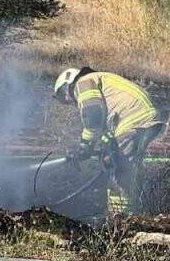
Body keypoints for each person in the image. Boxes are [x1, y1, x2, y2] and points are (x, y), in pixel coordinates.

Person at [52, 67, 163, 214]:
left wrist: (85, 144)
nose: (68, 101)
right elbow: (105, 124)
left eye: (62, 96)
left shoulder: (83, 82)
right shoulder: (100, 79)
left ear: (67, 84)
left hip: (132, 119)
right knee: (127, 168)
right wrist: (104, 148)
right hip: (145, 117)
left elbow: (93, 114)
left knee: (119, 172)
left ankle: (121, 218)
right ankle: (140, 209)